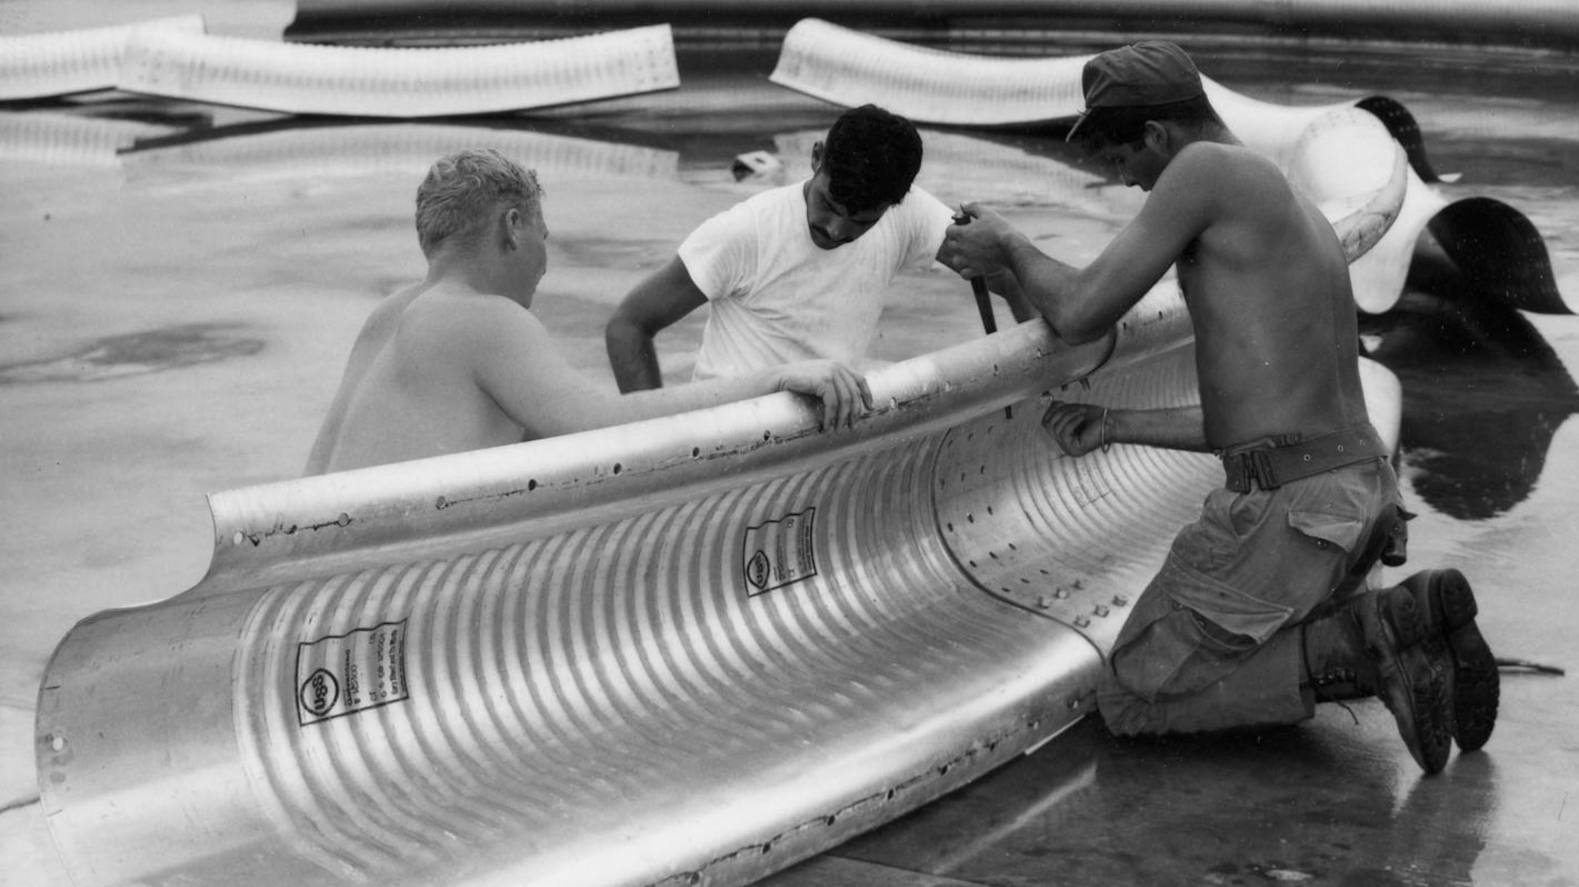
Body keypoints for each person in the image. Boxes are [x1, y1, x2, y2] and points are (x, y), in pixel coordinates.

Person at [938, 40, 1498, 772]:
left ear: (1160, 136)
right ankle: (1398, 627)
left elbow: (1080, 312)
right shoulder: (1280, 195)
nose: (1132, 187)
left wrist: (1008, 242)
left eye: (1125, 164)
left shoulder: (1202, 170)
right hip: (1349, 495)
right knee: (1237, 647)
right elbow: (1256, 422)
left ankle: (1363, 641)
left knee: (1134, 696)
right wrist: (1114, 425)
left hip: (1292, 515)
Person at [305, 149, 869, 475]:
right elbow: (606, 428)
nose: (545, 265)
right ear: (513, 227)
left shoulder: (392, 315)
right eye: (544, 237)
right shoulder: (480, 318)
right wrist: (772, 379)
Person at [606, 104, 1009, 392]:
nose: (835, 230)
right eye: (828, 205)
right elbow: (627, 327)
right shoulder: (746, 231)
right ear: (817, 158)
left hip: (825, 425)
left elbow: (1003, 271)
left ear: (896, 202)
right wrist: (657, 432)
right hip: (730, 430)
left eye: (862, 222)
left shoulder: (907, 210)